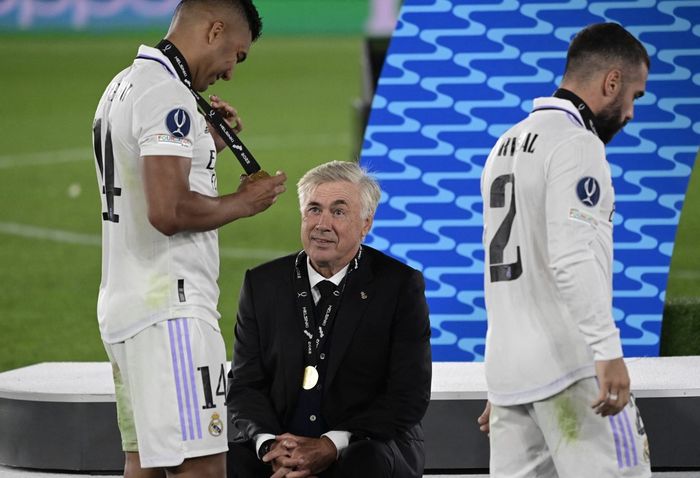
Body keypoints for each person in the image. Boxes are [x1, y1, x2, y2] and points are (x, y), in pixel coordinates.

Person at [91, 1, 287, 476]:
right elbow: (168, 209)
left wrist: (203, 147)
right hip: (170, 311)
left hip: (128, 305)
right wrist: (246, 201)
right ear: (214, 29)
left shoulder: (122, 85)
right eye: (235, 56)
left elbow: (148, 178)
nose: (229, 73)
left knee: (145, 464)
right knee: (200, 466)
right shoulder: (167, 94)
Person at [479, 23, 652, 476]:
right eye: (634, 95)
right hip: (571, 370)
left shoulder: (505, 145)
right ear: (610, 81)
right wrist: (606, 350)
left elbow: (507, 269)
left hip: (511, 378)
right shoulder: (577, 143)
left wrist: (508, 380)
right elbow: (572, 257)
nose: (631, 112)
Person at [226, 160, 432, 478]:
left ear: (366, 223)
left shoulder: (398, 285)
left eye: (338, 212)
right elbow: (245, 385)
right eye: (313, 209)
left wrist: (331, 445)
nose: (322, 224)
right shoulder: (262, 284)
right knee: (225, 463)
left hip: (362, 443)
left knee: (365, 461)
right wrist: (270, 445)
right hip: (282, 444)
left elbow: (408, 395)